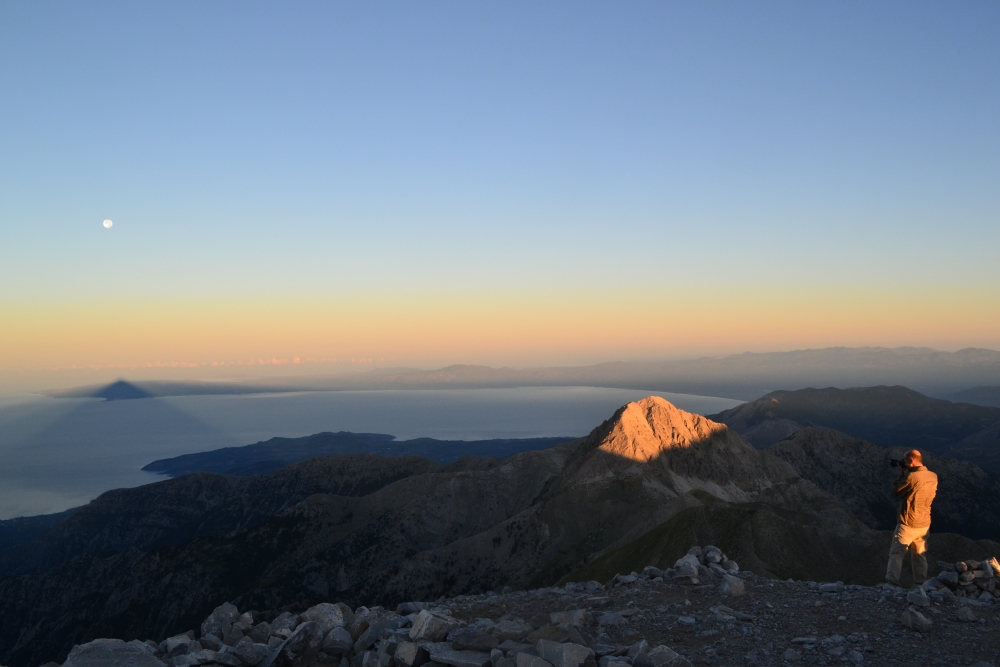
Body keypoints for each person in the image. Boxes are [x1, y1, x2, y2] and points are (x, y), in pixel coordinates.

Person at [886, 449, 938, 586]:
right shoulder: (933, 476)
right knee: (919, 555)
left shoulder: (912, 477)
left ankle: (892, 583)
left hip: (908, 522)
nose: (904, 463)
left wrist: (901, 473)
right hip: (924, 523)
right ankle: (920, 584)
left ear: (911, 461)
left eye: (905, 461)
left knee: (897, 553)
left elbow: (897, 490)